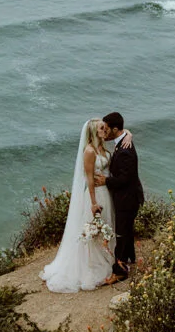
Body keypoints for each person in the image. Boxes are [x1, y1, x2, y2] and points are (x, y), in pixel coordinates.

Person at [40, 119, 117, 293]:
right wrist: (93, 202)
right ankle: (90, 264)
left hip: (107, 192)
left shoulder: (102, 148)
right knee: (94, 228)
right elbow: (89, 178)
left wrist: (127, 133)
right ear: (93, 132)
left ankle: (107, 257)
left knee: (106, 224)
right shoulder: (89, 151)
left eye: (105, 128)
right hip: (96, 194)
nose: (105, 130)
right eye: (102, 128)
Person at [95, 111, 143, 283]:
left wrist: (106, 180)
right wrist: (128, 132)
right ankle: (129, 258)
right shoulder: (123, 139)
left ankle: (120, 272)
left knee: (121, 233)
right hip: (127, 197)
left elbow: (124, 178)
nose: (104, 132)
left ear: (115, 129)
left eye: (106, 129)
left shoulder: (125, 150)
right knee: (126, 230)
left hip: (127, 198)